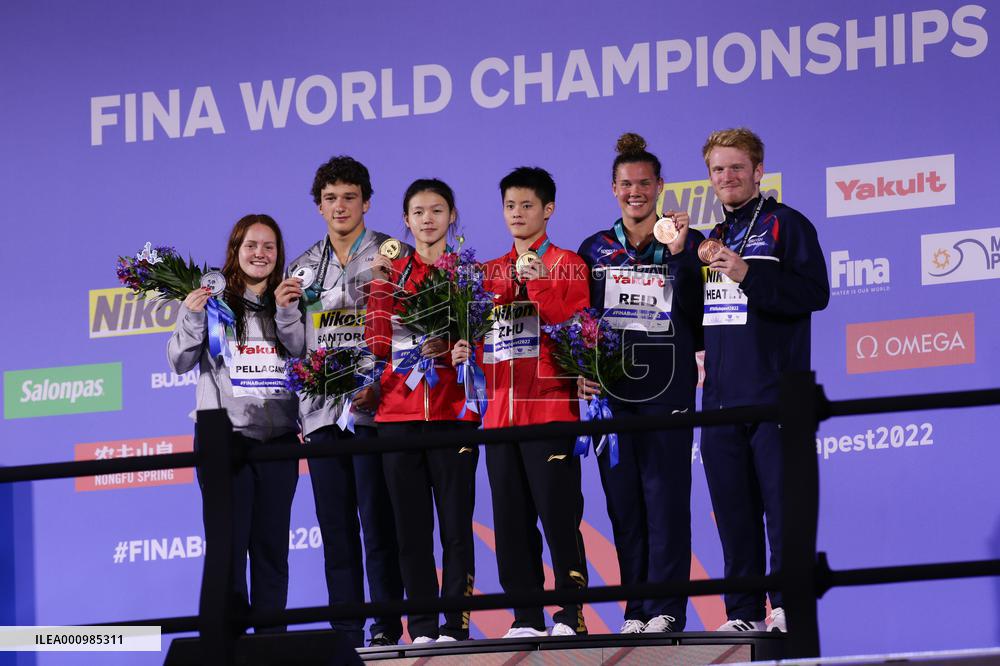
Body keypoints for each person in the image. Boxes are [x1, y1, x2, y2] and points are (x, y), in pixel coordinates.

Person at [698, 128, 829, 632]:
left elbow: (814, 293)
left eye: (736, 167)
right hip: (720, 399)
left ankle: (788, 605)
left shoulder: (786, 224)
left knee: (783, 510)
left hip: (775, 396)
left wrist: (749, 273)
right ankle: (744, 613)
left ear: (758, 172)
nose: (727, 177)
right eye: (717, 170)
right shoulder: (711, 239)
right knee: (733, 516)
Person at [452, 166, 590, 638]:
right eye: (510, 206)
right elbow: (475, 332)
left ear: (547, 210)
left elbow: (575, 326)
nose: (517, 214)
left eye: (526, 205)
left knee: (558, 515)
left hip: (550, 409)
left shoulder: (570, 264)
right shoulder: (488, 271)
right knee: (510, 521)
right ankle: (526, 615)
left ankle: (570, 613)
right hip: (499, 415)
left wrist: (539, 283)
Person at [576, 133, 704, 634]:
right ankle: (635, 607)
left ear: (660, 187)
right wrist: (583, 371)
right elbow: (582, 321)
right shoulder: (594, 249)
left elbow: (697, 312)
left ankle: (668, 608)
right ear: (613, 189)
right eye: (626, 184)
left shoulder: (688, 243)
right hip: (614, 394)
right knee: (624, 504)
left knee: (667, 501)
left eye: (644, 183)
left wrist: (675, 255)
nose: (636, 192)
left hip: (668, 389)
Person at [279, 156, 405, 647]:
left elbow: (408, 331)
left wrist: (379, 383)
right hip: (321, 413)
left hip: (376, 408)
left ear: (367, 203)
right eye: (330, 198)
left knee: (379, 523)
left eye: (349, 197)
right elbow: (293, 344)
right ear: (318, 206)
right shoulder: (302, 267)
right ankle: (347, 632)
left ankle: (388, 626)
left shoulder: (393, 254)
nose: (340, 206)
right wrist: (287, 311)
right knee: (336, 529)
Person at [167, 214, 302, 632]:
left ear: (278, 254)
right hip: (225, 442)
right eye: (251, 245)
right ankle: (229, 645)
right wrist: (191, 318)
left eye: (269, 247)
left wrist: (285, 313)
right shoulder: (209, 302)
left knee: (272, 549)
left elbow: (301, 352)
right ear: (235, 251)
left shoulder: (292, 299)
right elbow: (178, 361)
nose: (259, 254)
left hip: (279, 439)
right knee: (228, 548)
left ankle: (271, 642)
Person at [364, 178, 479, 644]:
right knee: (409, 531)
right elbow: (375, 343)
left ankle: (455, 624)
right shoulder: (388, 275)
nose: (427, 219)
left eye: (437, 210)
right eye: (418, 212)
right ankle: (424, 626)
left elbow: (486, 342)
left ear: (452, 216)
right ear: (406, 220)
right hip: (397, 415)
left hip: (454, 414)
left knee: (455, 528)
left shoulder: (468, 275)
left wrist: (456, 347)